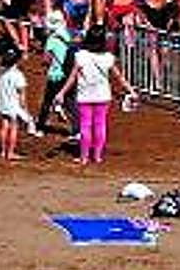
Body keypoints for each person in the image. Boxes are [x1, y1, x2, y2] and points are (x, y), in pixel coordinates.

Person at [55, 25, 137, 165]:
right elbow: (119, 77)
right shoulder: (108, 58)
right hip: (103, 96)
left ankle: (84, 157)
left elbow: (72, 77)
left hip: (85, 96)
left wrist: (61, 93)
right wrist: (131, 91)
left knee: (85, 126)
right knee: (100, 125)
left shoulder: (80, 56)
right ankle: (97, 156)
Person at [35, 10, 78, 137]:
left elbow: (46, 59)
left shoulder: (51, 39)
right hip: (69, 74)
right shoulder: (68, 35)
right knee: (70, 102)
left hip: (55, 74)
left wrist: (45, 61)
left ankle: (40, 128)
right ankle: (76, 130)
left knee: (47, 101)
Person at [0, 43, 37, 161]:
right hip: (14, 105)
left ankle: (3, 151)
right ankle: (10, 153)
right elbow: (22, 98)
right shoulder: (18, 76)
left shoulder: (0, 72)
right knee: (14, 128)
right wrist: (26, 112)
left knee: (4, 126)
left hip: (3, 103)